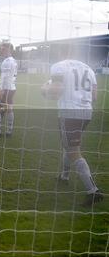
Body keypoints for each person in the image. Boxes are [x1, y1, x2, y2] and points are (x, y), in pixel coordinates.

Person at [41, 48, 103, 207]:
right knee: (69, 145)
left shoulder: (59, 66)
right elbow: (94, 96)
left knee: (73, 150)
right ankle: (64, 176)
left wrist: (44, 90)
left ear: (61, 53)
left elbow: (56, 92)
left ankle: (93, 190)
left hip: (70, 113)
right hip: (87, 113)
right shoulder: (88, 69)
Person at [0, 42, 17, 137]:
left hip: (6, 88)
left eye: (4, 49)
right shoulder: (13, 61)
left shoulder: (7, 61)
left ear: (10, 50)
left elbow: (6, 77)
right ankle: (9, 131)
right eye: (1, 49)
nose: (2, 51)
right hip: (12, 88)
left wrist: (1, 90)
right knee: (9, 109)